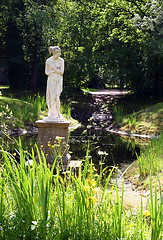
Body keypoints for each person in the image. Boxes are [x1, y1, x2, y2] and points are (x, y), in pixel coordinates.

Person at [45, 46, 64, 119]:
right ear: (54, 53)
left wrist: (53, 68)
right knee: (52, 97)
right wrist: (55, 70)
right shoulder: (48, 61)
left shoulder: (61, 60)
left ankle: (58, 112)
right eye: (58, 53)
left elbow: (61, 72)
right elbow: (46, 72)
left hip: (58, 80)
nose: (59, 54)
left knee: (57, 96)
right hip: (51, 79)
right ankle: (52, 113)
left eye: (60, 53)